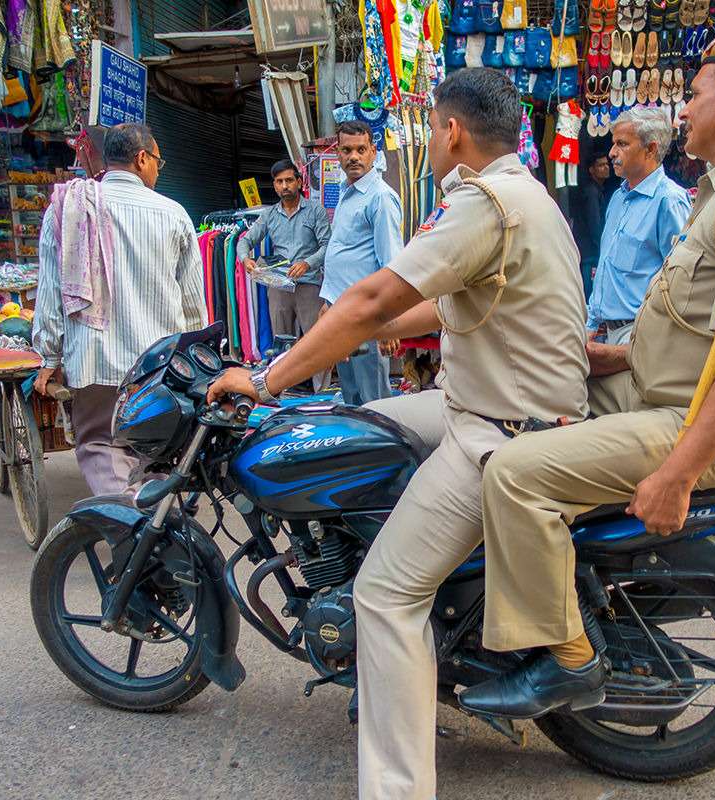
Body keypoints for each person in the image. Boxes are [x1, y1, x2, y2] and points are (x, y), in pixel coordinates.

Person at [205, 68, 589, 800]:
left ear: (450, 132)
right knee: (361, 424)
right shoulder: (528, 194)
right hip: (487, 402)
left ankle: (396, 788)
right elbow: (447, 306)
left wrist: (267, 378)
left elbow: (373, 294)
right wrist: (370, 333)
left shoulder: (482, 201)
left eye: (432, 131)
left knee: (385, 596)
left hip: (498, 430)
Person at [466, 29, 715, 719]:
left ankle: (567, 660)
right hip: (656, 386)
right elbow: (704, 329)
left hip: (700, 422)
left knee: (514, 474)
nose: (683, 110)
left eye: (692, 95)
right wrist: (621, 356)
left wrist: (680, 473)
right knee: (525, 394)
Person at [32, 123, 207, 496]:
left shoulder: (67, 209)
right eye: (158, 161)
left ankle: (131, 528)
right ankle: (156, 528)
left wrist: (49, 355)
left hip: (96, 360)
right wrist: (196, 361)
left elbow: (50, 290)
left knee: (102, 444)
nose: (159, 170)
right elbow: (192, 303)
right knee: (156, 448)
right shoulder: (173, 213)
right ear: (142, 159)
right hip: (158, 362)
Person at [585, 107, 691, 345]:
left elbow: (681, 281)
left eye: (622, 144)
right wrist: (591, 324)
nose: (612, 153)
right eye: (614, 144)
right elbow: (606, 267)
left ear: (650, 149)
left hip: (639, 334)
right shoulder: (619, 197)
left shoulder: (669, 201)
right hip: (604, 331)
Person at [321, 120, 403, 405]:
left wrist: (390, 321)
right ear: (338, 154)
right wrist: (328, 300)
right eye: (347, 150)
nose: (353, 156)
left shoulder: (380, 198)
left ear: (372, 152)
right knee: (352, 395)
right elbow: (344, 251)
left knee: (375, 401)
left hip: (367, 316)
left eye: (360, 149)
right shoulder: (346, 191)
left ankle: (384, 450)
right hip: (342, 312)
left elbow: (391, 264)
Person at [239, 160, 332, 383]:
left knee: (315, 340)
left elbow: (328, 245)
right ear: (274, 186)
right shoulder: (269, 214)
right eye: (279, 182)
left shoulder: (315, 211)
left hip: (309, 285)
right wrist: (245, 259)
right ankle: (285, 387)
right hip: (279, 286)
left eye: (289, 180)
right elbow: (245, 241)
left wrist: (307, 263)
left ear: (299, 182)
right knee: (281, 341)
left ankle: (322, 391)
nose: (285, 186)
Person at [572, 152, 611, 298]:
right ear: (591, 170)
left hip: (589, 249)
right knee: (590, 292)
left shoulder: (597, 190)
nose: (606, 168)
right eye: (601, 165)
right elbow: (594, 224)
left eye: (607, 164)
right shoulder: (591, 193)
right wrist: (602, 248)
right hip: (590, 251)